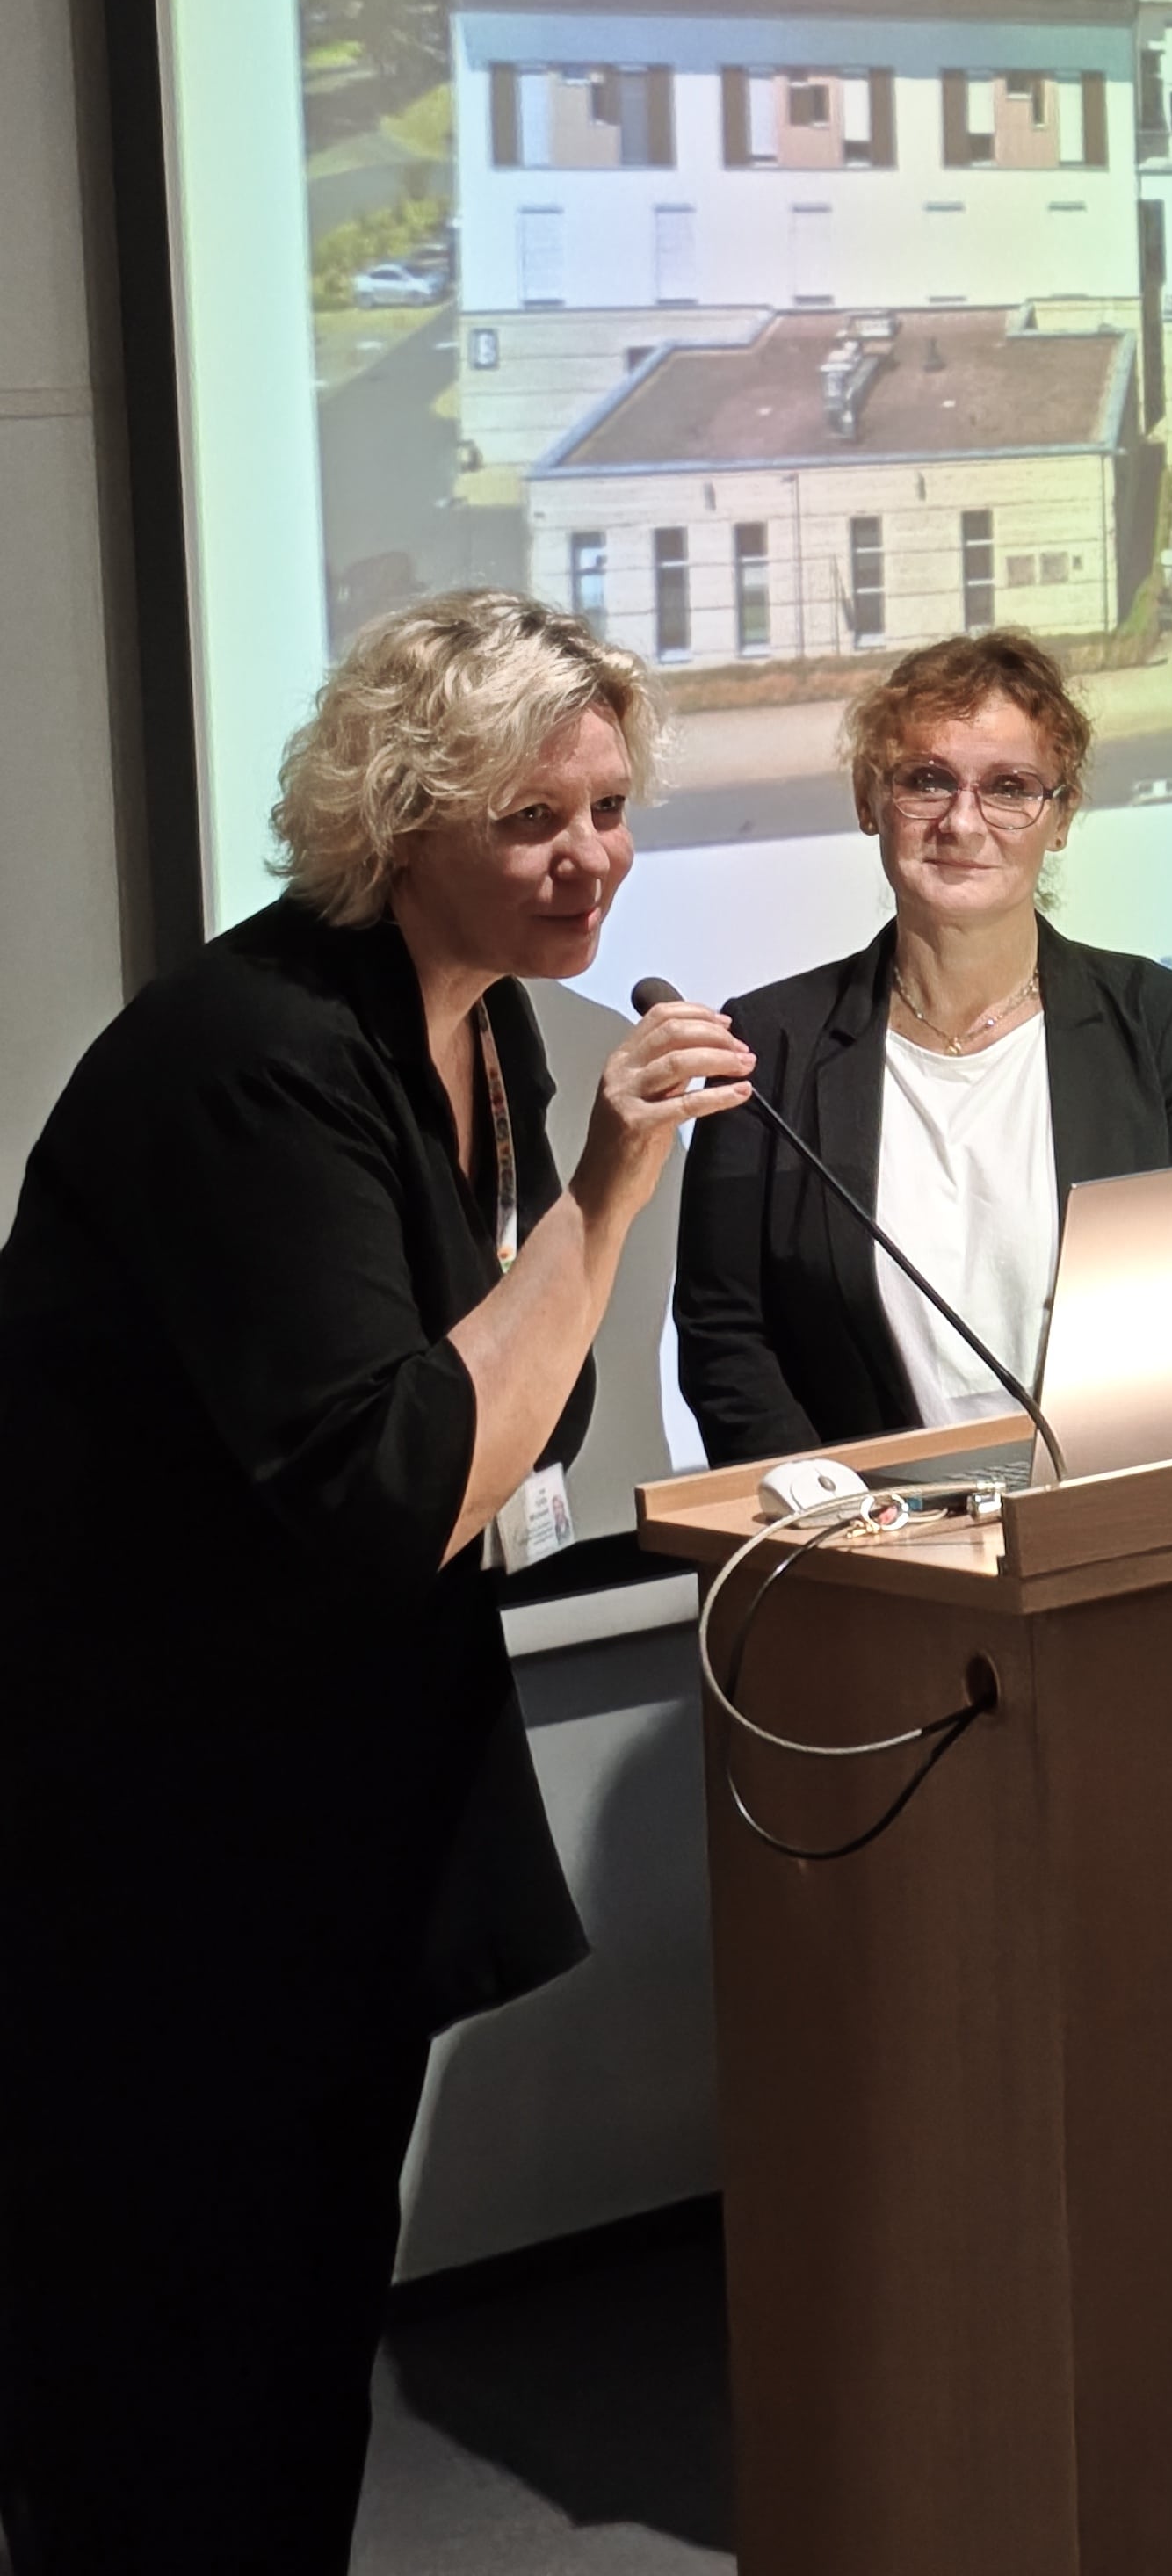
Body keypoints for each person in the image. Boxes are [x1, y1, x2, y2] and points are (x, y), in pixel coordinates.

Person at [0, 590, 752, 2575]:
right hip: (160, 1848)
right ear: (399, 818)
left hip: (333, 1806)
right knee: (165, 2389)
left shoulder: (486, 1026)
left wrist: (571, 1219)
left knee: (293, 2362)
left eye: (610, 808)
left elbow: (522, 1408)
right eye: (532, 819)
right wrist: (610, 1196)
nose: (589, 858)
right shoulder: (249, 1059)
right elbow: (400, 1480)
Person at [675, 627, 1172, 1463]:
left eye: (1010, 787)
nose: (963, 821)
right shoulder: (768, 1046)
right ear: (870, 801)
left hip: (1119, 1505)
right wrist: (837, 1516)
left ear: (1060, 817)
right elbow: (726, 1336)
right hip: (867, 1529)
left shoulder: (1164, 1026)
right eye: (927, 781)